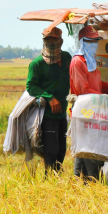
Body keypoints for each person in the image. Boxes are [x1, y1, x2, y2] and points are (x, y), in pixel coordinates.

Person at [69, 25, 108, 181]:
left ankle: (79, 185)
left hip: (94, 113)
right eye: (90, 41)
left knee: (83, 155)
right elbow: (85, 91)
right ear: (82, 42)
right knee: (92, 155)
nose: (94, 45)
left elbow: (99, 85)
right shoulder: (77, 62)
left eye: (96, 41)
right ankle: (93, 183)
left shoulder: (90, 61)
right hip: (85, 115)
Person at [26, 27, 72, 174]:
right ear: (44, 42)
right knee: (51, 151)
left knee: (61, 150)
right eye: (48, 40)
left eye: (54, 40)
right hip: (47, 115)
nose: (51, 43)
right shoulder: (37, 64)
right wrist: (49, 97)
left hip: (62, 113)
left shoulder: (66, 59)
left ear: (61, 41)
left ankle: (55, 178)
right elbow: (31, 86)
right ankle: (51, 179)